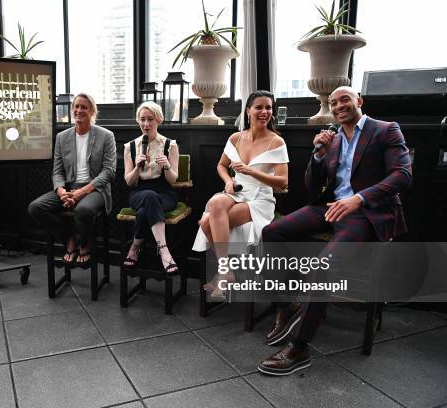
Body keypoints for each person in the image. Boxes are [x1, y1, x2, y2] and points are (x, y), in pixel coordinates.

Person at [257, 86, 412, 376]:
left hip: (365, 212)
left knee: (322, 266)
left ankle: (299, 346)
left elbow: (402, 176)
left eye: (344, 100)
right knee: (272, 232)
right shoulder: (335, 141)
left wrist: (359, 198)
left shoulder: (386, 130)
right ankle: (288, 303)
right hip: (329, 207)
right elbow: (312, 187)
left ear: (359, 101)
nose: (339, 106)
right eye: (333, 103)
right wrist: (318, 156)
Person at [192, 90, 288, 298]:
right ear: (248, 111)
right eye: (259, 107)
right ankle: (226, 271)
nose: (264, 112)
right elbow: (221, 166)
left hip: (260, 199)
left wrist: (251, 170)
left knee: (206, 223)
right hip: (236, 192)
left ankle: (223, 272)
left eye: (268, 108)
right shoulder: (236, 137)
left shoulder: (277, 141)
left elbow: (282, 182)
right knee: (216, 203)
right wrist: (228, 181)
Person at [28, 93, 116, 267]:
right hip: (69, 188)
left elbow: (109, 172)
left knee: (83, 211)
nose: (79, 110)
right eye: (76, 106)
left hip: (95, 190)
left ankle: (84, 243)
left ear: (92, 111)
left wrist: (82, 192)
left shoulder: (106, 136)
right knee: (35, 208)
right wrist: (61, 191)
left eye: (84, 107)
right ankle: (69, 238)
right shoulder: (63, 137)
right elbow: (57, 171)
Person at [122, 101, 180, 275]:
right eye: (142, 120)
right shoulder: (130, 147)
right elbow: (129, 182)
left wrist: (168, 166)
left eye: (150, 119)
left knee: (143, 212)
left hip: (165, 192)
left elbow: (173, 180)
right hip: (139, 192)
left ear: (159, 120)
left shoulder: (170, 145)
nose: (146, 124)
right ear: (138, 121)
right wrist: (137, 168)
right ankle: (164, 250)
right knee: (148, 196)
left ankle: (135, 246)